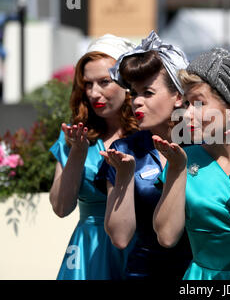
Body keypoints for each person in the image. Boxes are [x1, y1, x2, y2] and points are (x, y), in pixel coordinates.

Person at [152, 48, 230, 280]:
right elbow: (166, 237)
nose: (186, 116)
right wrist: (176, 170)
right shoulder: (183, 159)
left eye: (199, 103)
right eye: (186, 104)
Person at [98, 31, 192, 280]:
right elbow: (119, 237)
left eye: (148, 93)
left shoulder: (205, 146)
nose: (136, 102)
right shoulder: (123, 151)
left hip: (202, 276)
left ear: (179, 97)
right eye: (134, 93)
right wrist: (125, 176)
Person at [49, 34, 138, 280]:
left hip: (138, 246)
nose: (94, 93)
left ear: (127, 83)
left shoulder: (149, 134)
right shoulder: (74, 134)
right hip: (89, 252)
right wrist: (77, 154)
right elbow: (61, 207)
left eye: (104, 82)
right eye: (88, 84)